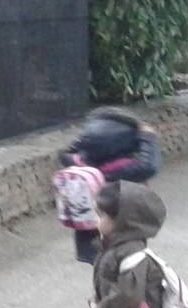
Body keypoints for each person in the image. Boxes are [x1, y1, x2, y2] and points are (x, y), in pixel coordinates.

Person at [62, 109, 161, 265]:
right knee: (118, 271)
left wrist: (82, 140)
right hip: (120, 237)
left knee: (100, 268)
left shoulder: (80, 163)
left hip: (87, 235)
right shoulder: (121, 169)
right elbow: (149, 166)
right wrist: (148, 137)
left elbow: (65, 154)